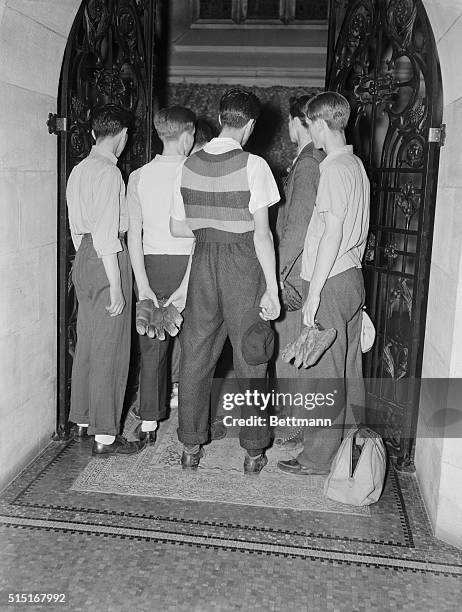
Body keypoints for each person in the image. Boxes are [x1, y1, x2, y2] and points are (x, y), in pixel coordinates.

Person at [170, 88, 281, 474]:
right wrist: (273, 287)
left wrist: (209, 230)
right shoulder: (254, 165)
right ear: (249, 125)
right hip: (242, 264)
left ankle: (190, 447)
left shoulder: (189, 164)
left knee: (196, 353)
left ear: (220, 118)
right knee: (253, 353)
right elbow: (263, 234)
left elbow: (179, 224)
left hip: (202, 260)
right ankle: (253, 452)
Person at [277, 91, 370, 476]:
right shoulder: (356, 164)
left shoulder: (331, 167)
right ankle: (350, 443)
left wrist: (312, 294)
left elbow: (331, 233)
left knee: (324, 373)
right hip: (352, 277)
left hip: (330, 280)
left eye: (311, 123)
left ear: (318, 123)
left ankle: (317, 456)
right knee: (349, 368)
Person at [66, 104, 143, 457]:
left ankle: (82, 419)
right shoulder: (110, 174)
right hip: (106, 259)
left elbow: (77, 228)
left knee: (87, 341)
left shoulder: (79, 169)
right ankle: (106, 436)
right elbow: (107, 234)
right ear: (123, 136)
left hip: (82, 257)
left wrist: (88, 262)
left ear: (96, 132)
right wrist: (115, 282)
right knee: (110, 348)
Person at [127, 106, 196, 445]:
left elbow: (133, 236)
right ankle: (194, 425)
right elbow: (201, 234)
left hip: (151, 265)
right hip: (190, 265)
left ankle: (149, 424)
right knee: (196, 347)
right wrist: (185, 285)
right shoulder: (197, 171)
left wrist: (143, 286)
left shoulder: (138, 176)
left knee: (152, 344)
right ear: (187, 134)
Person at [273, 95, 326, 448]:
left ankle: (292, 427)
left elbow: (298, 225)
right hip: (305, 268)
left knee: (290, 351)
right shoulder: (314, 159)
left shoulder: (308, 163)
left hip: (294, 272)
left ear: (297, 122)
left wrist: (279, 274)